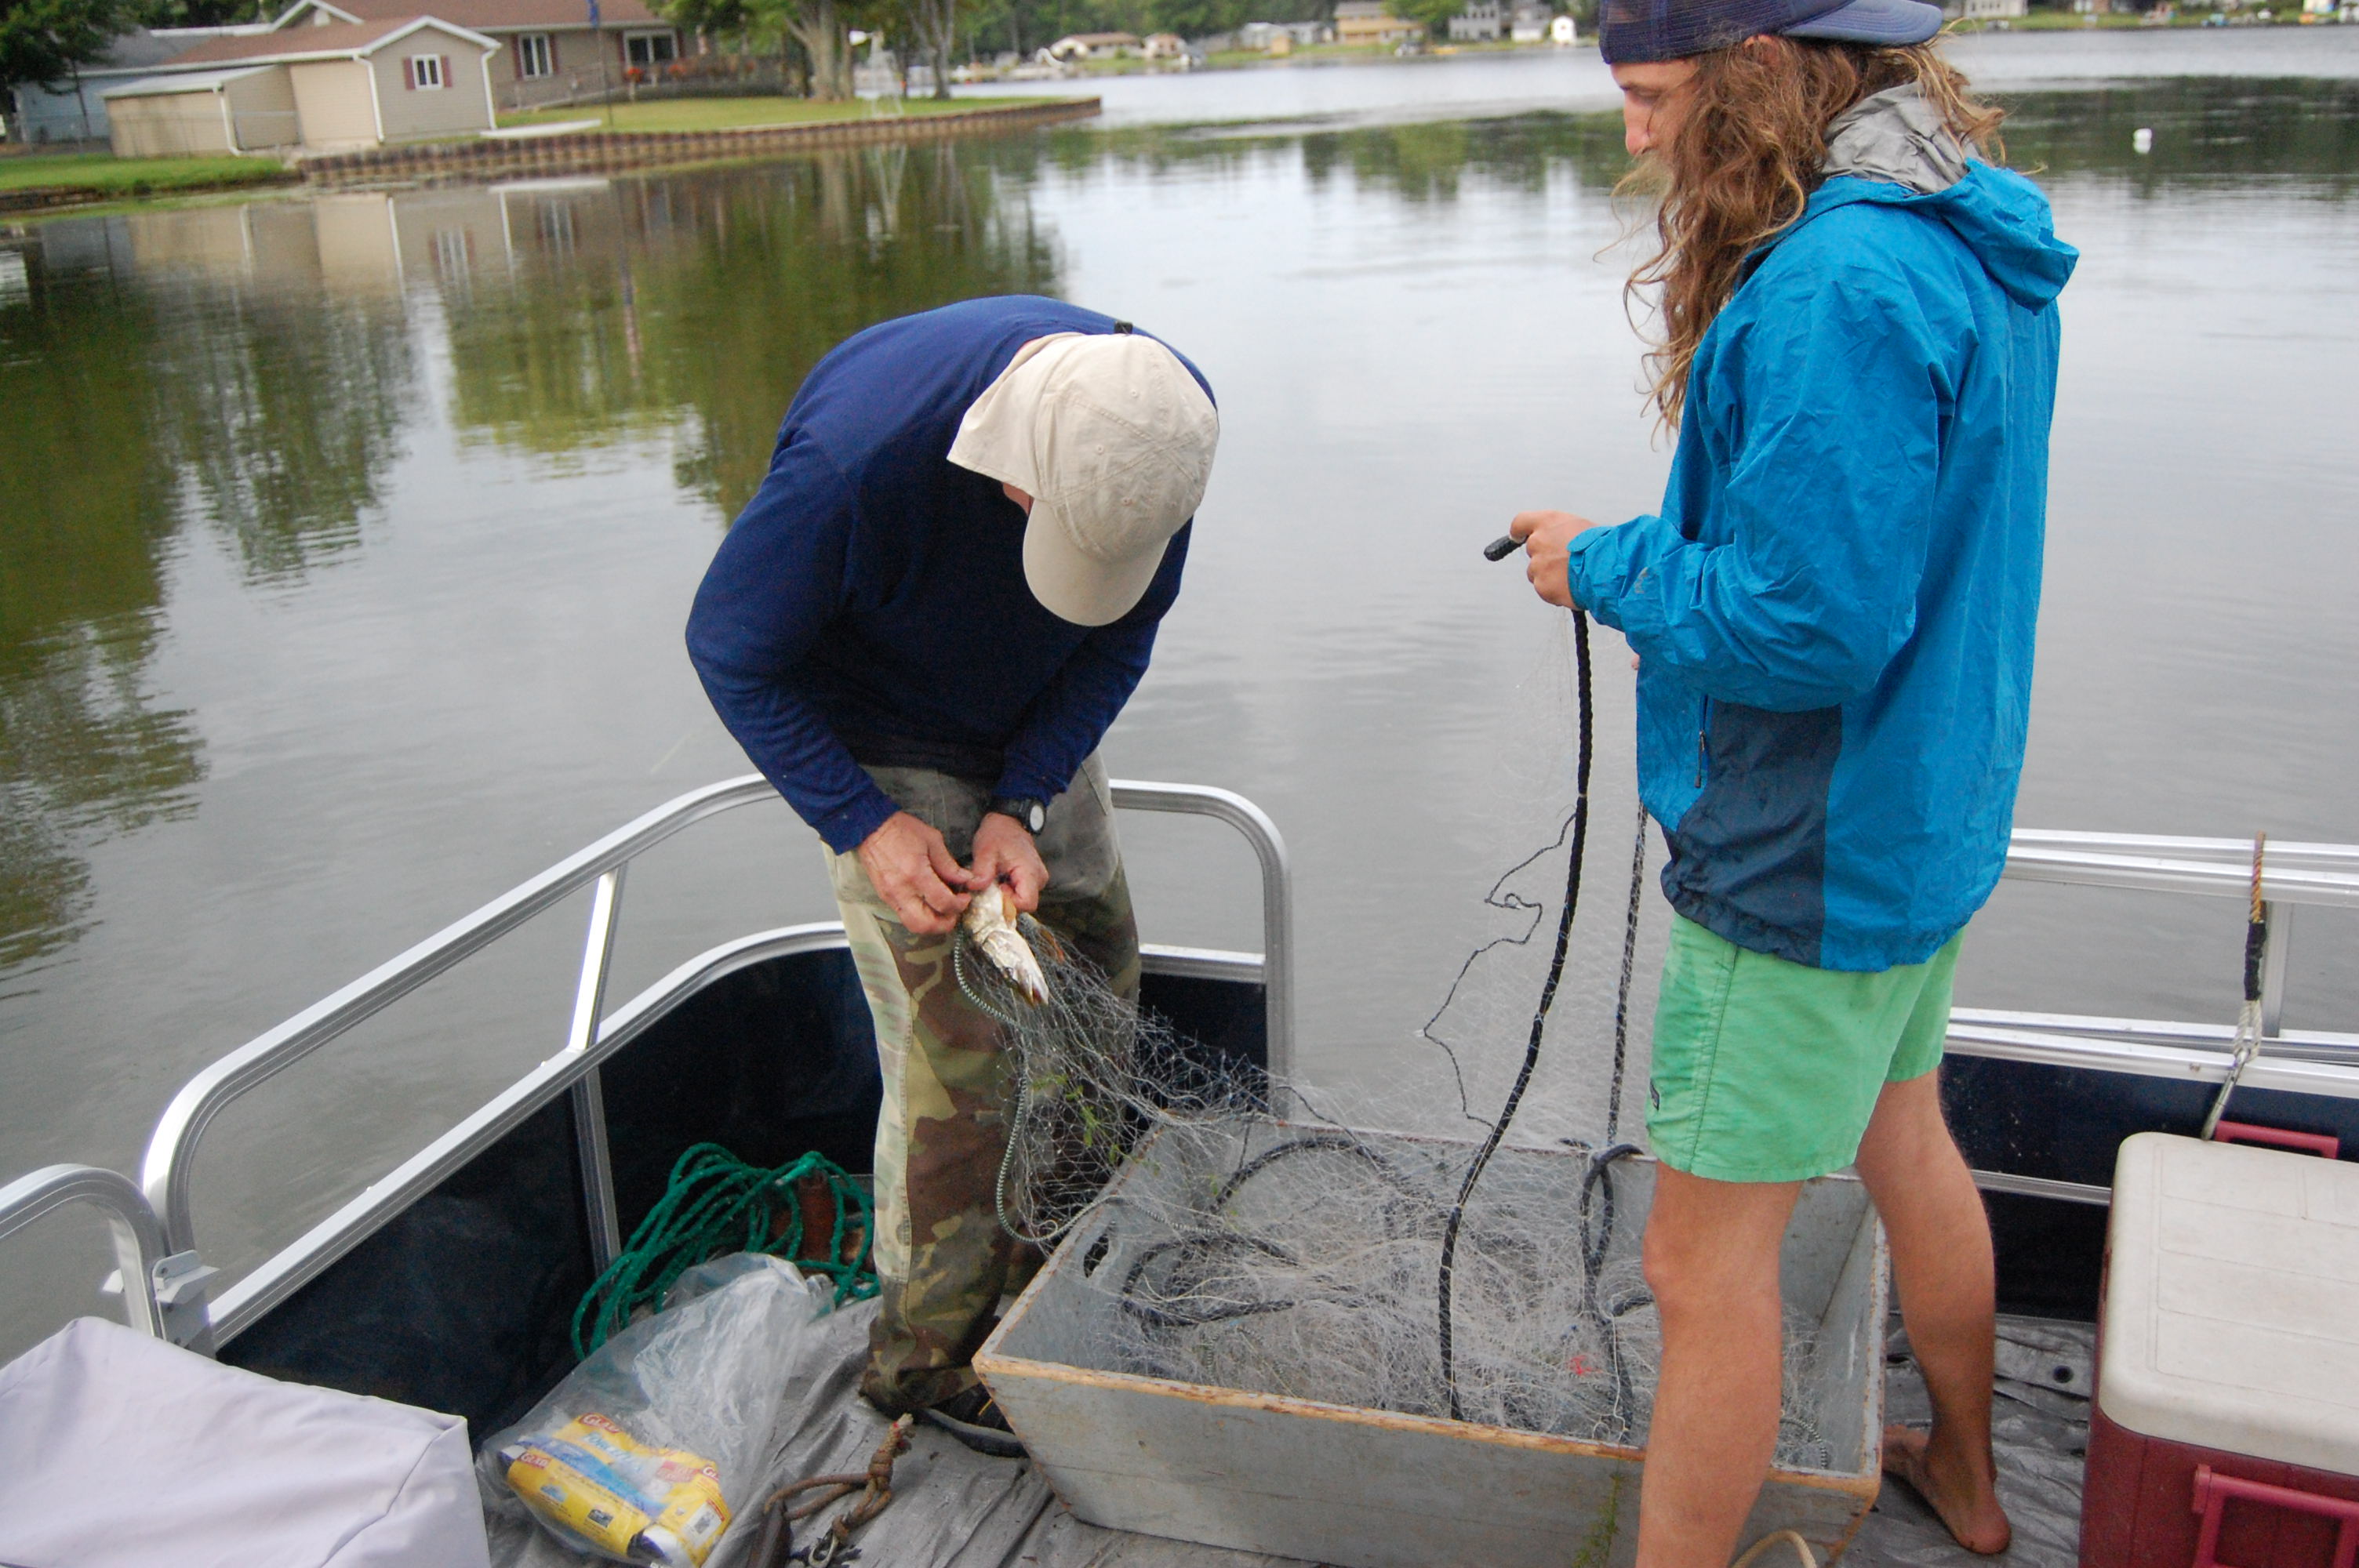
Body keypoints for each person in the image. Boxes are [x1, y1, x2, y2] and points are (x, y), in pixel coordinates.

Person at [1508, 2, 2075, 1562]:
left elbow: (1808, 622)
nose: (1632, 135)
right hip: (1923, 817)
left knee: (1701, 1267)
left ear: (1756, 70)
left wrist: (1604, 563)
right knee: (1906, 1136)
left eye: (1647, 94)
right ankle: (1966, 1476)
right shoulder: (1968, 226)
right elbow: (1872, 558)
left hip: (1804, 858)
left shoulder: (1836, 280)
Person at [684, 296, 1219, 1448]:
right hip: (880, 739)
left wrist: (1025, 797)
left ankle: (1049, 1290)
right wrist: (864, 824)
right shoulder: (856, 466)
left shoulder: (1161, 426)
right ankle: (923, 1364)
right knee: (961, 1071)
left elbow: (1121, 632)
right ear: (1011, 462)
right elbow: (730, 649)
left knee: (1098, 976)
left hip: (1033, 722)